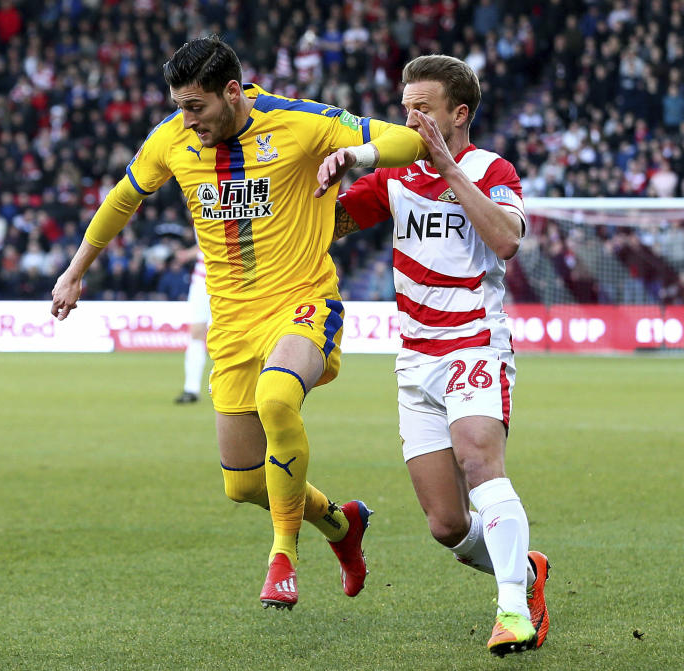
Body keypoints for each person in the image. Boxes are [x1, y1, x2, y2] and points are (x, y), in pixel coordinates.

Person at [50, 35, 427, 609]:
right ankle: (342, 527)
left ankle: (283, 555)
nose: (187, 119)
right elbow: (122, 200)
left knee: (278, 399)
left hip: (303, 302)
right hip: (231, 324)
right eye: (179, 105)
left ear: (232, 92)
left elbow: (409, 141)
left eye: (195, 106)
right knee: (243, 483)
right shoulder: (172, 139)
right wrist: (76, 271)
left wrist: (357, 155)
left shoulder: (299, 122)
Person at [316, 54, 550, 656]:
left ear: (459, 113)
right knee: (446, 525)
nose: (410, 117)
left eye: (423, 107)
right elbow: (332, 225)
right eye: (405, 107)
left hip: (474, 341)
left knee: (479, 462)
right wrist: (305, 187)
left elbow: (505, 241)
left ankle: (512, 612)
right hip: (414, 359)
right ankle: (526, 573)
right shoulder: (393, 176)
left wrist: (444, 167)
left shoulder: (491, 168)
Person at [173, 244, 210, 404]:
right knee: (196, 332)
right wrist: (190, 253)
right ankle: (191, 389)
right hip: (201, 278)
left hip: (231, 275)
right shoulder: (197, 219)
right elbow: (204, 240)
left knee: (233, 332)